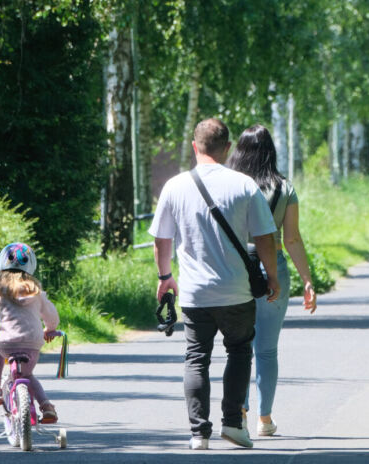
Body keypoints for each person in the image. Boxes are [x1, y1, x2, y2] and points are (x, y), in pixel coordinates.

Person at [149, 118, 281, 450]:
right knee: (239, 352)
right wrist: (272, 276)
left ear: (195, 147)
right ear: (227, 148)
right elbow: (265, 238)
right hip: (237, 291)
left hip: (194, 294)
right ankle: (234, 425)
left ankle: (199, 434)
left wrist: (165, 278)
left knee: (196, 357)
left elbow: (162, 241)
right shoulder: (244, 185)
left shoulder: (175, 186)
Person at [227, 124, 317, 437]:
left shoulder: (230, 186)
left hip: (235, 270)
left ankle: (238, 410)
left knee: (238, 347)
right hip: (271, 268)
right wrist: (307, 280)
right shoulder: (285, 189)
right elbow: (291, 239)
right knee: (266, 350)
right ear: (271, 152)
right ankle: (264, 419)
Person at [0, 242, 60, 423]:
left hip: (7, 343)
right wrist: (50, 329)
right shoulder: (37, 293)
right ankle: (46, 406)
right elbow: (52, 316)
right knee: (27, 375)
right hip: (33, 343)